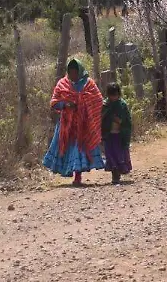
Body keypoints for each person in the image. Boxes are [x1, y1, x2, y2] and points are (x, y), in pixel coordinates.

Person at [42, 58, 105, 186]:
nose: (73, 75)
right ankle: (70, 171)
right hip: (67, 126)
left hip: (84, 124)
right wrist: (66, 104)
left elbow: (98, 100)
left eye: (75, 72)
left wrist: (84, 104)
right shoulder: (62, 84)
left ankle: (78, 176)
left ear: (80, 71)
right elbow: (54, 102)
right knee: (69, 149)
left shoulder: (89, 84)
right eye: (70, 72)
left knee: (80, 147)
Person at [101, 83, 133, 185]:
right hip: (109, 134)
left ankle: (118, 172)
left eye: (115, 95)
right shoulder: (105, 105)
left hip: (119, 135)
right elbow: (102, 118)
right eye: (111, 95)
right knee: (110, 155)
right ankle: (114, 174)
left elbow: (127, 120)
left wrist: (121, 122)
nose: (113, 97)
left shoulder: (122, 105)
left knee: (119, 154)